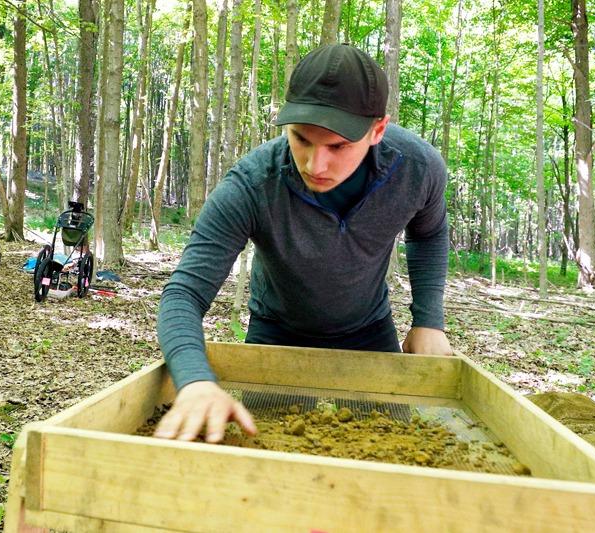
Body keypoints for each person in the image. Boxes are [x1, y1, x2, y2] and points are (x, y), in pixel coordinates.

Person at [155, 44, 452, 443]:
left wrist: (428, 319)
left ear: (377, 130)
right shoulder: (253, 184)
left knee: (393, 442)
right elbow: (183, 294)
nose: (316, 164)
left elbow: (429, 232)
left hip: (369, 332)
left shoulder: (417, 169)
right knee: (266, 449)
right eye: (301, 139)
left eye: (337, 147)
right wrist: (194, 381)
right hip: (277, 332)